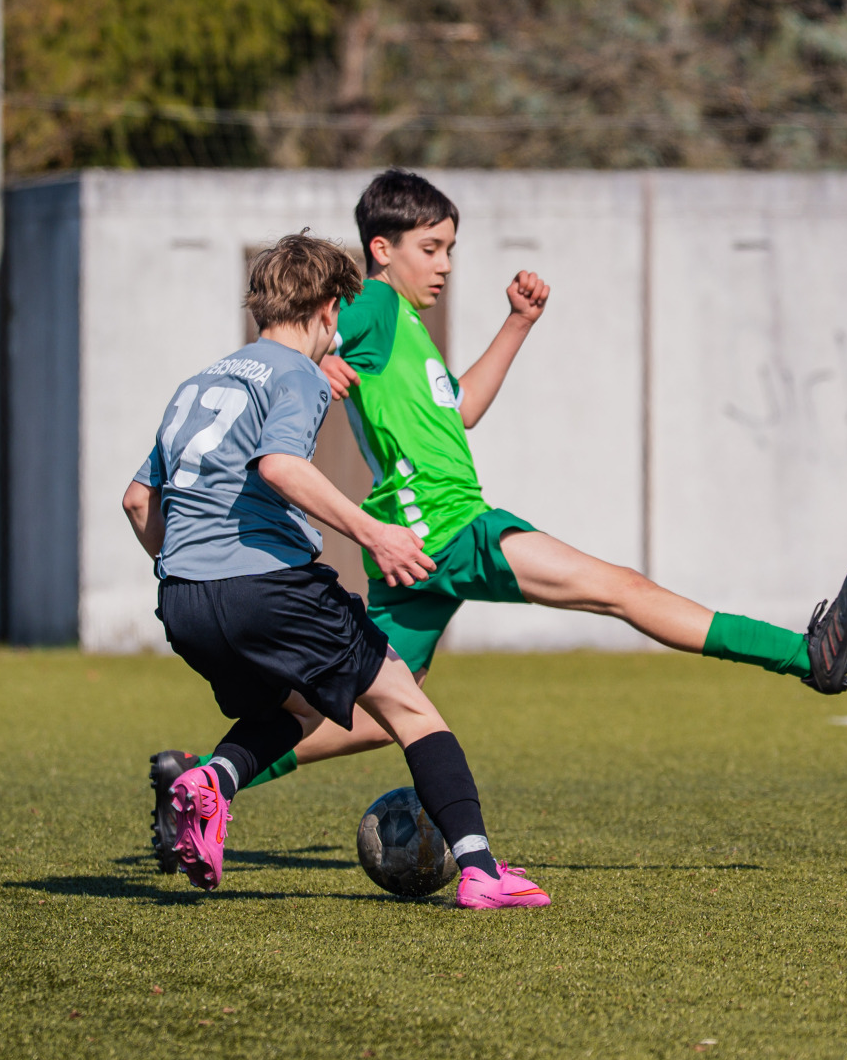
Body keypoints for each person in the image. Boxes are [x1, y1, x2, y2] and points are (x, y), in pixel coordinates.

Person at [149, 170, 847, 869]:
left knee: (381, 715)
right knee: (621, 589)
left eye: (450, 249)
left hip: (414, 545)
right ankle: (806, 656)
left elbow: (460, 410)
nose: (445, 265)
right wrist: (326, 362)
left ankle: (203, 777)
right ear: (381, 250)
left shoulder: (405, 327)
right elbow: (311, 336)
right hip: (449, 526)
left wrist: (518, 323)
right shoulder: (373, 304)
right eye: (431, 248)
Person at [123, 231, 549, 909]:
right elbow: (280, 467)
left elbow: (137, 501)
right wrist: (374, 533)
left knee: (298, 708)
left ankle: (210, 782)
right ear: (328, 310)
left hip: (184, 602)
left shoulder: (198, 383)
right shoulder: (296, 373)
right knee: (411, 708)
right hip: (269, 589)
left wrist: (195, 575)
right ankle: (480, 872)